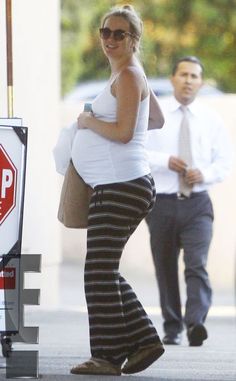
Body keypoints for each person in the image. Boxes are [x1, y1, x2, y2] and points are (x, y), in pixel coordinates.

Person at [69, 4, 165, 376]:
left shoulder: (127, 76)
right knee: (103, 270)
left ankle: (107, 356)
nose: (109, 38)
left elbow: (125, 134)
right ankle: (142, 340)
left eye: (119, 33)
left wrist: (90, 121)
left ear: (134, 39)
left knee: (97, 271)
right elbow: (154, 118)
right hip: (125, 183)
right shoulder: (130, 75)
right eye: (105, 31)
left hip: (121, 184)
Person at [146, 56, 233, 347]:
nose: (188, 80)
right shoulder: (155, 115)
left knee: (197, 264)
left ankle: (196, 323)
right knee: (166, 267)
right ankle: (172, 328)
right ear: (172, 79)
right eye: (183, 74)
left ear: (201, 82)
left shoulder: (212, 120)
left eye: (194, 76)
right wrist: (164, 161)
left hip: (198, 204)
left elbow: (224, 162)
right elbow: (137, 152)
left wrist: (204, 173)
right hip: (162, 203)